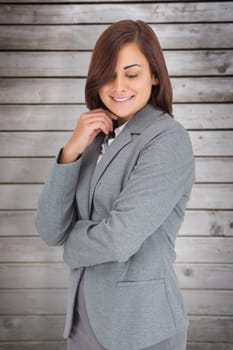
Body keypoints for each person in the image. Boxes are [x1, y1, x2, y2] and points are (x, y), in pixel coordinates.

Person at [36, 19, 195, 350]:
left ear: (154, 75)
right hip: (83, 321)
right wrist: (71, 151)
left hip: (141, 326)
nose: (118, 86)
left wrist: (71, 244)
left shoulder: (167, 139)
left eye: (132, 74)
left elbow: (120, 239)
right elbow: (50, 230)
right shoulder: (95, 138)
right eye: (109, 74)